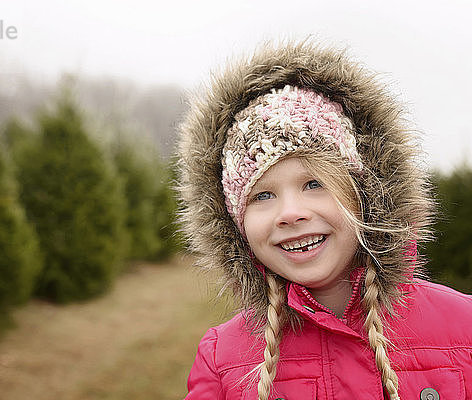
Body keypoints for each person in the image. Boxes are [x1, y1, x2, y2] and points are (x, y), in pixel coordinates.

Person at [177, 40, 472, 399]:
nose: (290, 213)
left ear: (365, 196)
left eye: (314, 183)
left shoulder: (463, 328)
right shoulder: (222, 360)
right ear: (236, 226)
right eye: (262, 196)